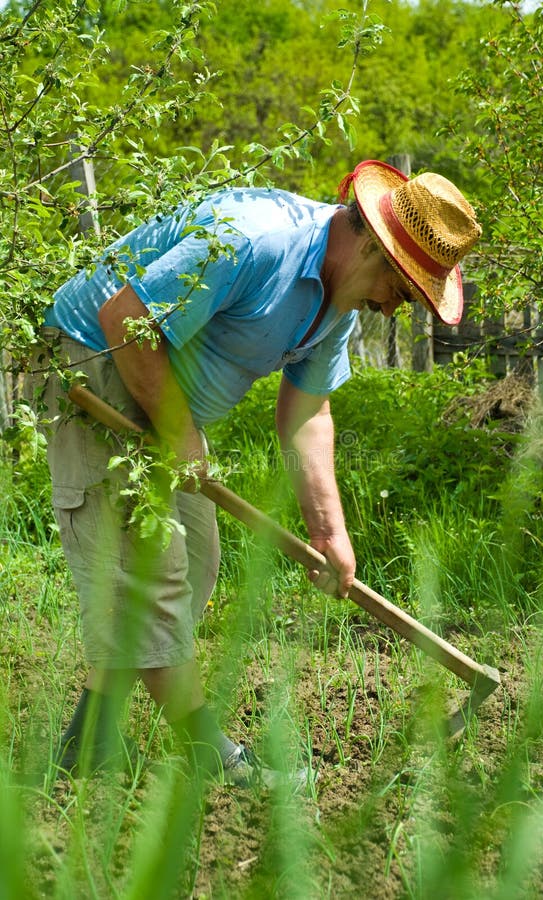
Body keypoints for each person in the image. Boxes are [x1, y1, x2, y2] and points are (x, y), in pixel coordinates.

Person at [31, 159, 481, 786]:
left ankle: (88, 745)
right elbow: (124, 320)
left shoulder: (336, 303)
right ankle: (212, 756)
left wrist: (330, 531)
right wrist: (179, 430)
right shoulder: (255, 241)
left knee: (194, 566)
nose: (392, 308)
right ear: (375, 248)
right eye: (403, 291)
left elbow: (306, 410)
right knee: (149, 573)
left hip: (156, 391)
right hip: (99, 365)